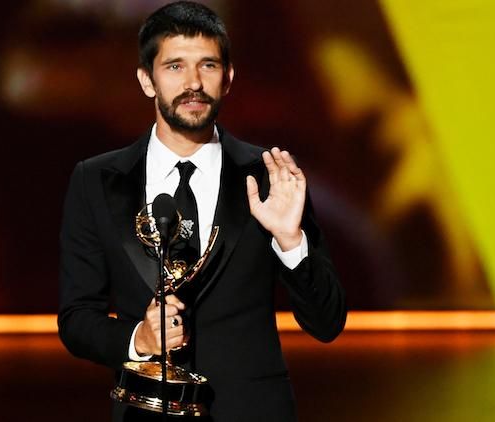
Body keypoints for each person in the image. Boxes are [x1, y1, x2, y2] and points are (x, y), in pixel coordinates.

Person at [58, 2, 346, 421]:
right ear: (146, 80)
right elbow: (77, 319)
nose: (193, 83)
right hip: (146, 410)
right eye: (175, 66)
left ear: (228, 79)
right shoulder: (96, 180)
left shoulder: (268, 176)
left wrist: (290, 242)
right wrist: (139, 337)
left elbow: (327, 323)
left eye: (207, 66)